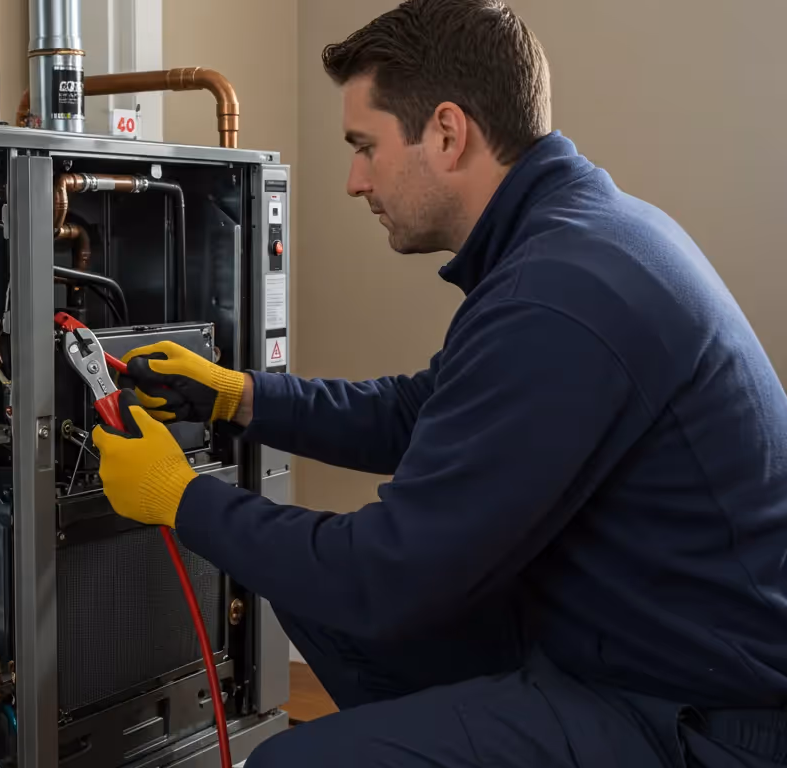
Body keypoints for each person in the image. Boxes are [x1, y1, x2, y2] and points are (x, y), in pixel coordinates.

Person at [90, 0, 787, 765]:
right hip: (630, 637)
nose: (355, 181)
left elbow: (384, 576)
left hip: (698, 717)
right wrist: (242, 397)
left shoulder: (557, 295)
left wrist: (180, 497)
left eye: (365, 146)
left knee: (292, 759)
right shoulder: (577, 236)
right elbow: (424, 411)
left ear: (448, 134)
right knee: (313, 597)